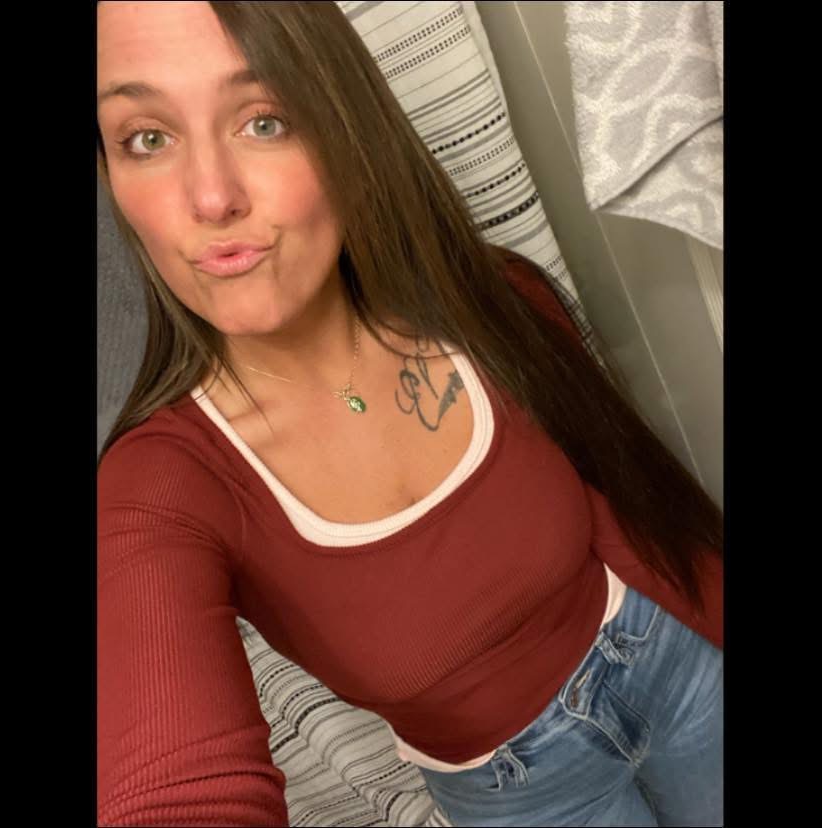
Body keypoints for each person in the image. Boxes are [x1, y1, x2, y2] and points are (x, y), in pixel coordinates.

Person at [97, 2, 724, 826]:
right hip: (523, 793)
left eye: (265, 121)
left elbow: (633, 509)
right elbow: (173, 788)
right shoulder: (159, 489)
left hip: (680, 665)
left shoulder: (495, 298)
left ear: (345, 130)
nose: (211, 198)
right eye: (146, 138)